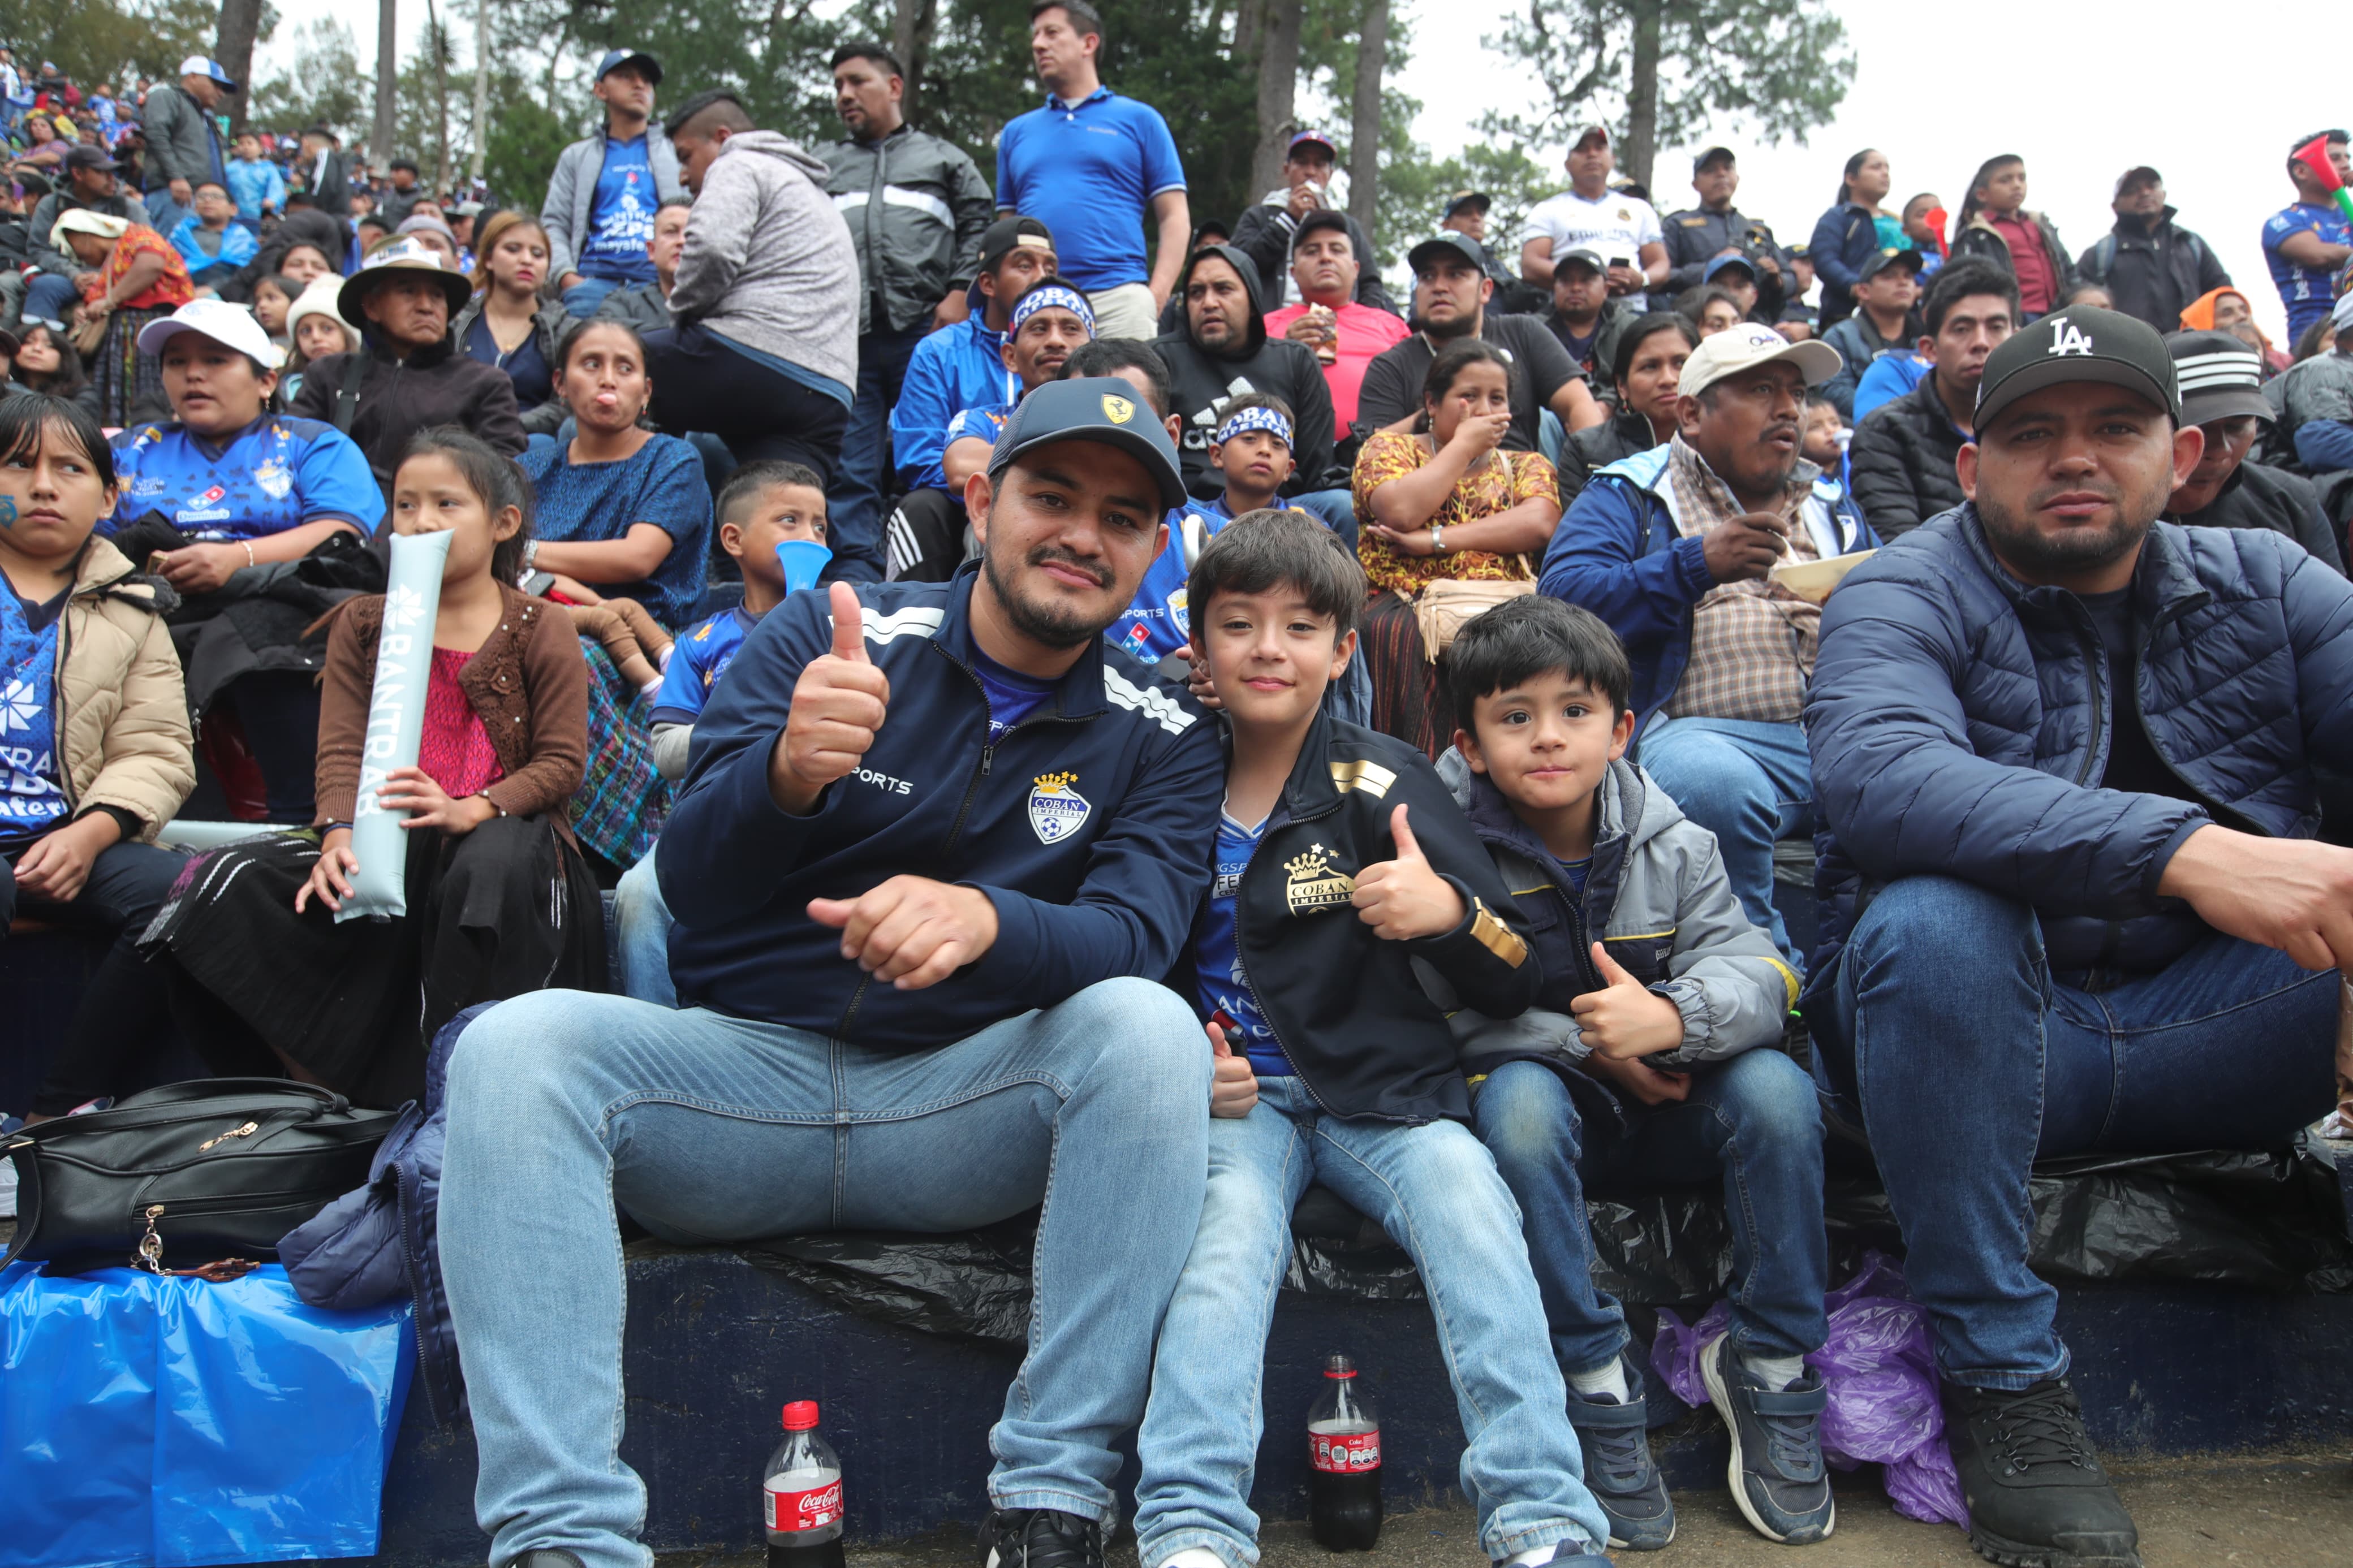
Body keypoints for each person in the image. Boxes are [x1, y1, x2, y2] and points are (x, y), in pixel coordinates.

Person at [436, 377, 1223, 1568]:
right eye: (1052, 496)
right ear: (981, 499)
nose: (1081, 534)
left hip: (960, 1111)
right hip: (738, 1092)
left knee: (1147, 1029)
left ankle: (1054, 1502)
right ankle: (564, 1541)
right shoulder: (828, 631)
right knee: (511, 1048)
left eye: (1121, 518)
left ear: (1154, 548)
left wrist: (988, 920)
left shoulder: (1161, 726)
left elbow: (1137, 931)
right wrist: (785, 777)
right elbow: (685, 883)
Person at [1805, 304, 2353, 1568]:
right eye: (2031, 433)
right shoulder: (1901, 587)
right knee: (1937, 918)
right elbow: (1880, 777)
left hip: (2222, 1024)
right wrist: (2188, 851)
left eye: (2114, 428)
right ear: (1966, 465)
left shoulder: (2270, 582)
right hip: (1957, 1038)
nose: (2073, 458)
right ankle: (2003, 1385)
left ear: (2184, 454)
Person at [1130, 511, 1615, 1568]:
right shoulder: (1165, 776)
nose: (1270, 647)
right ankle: (1190, 1528)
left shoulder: (1385, 775)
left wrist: (1443, 912)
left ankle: (1544, 1521)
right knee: (1218, 1254)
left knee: (1476, 1215)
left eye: (1303, 626)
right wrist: (1175, 1050)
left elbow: (1517, 967)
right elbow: (1126, 948)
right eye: (1239, 623)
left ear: (1344, 647)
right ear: (1198, 641)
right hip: (1239, 1101)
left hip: (1387, 1099)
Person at [1444, 595, 1826, 1550]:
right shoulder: (1443, 854)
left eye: (1575, 711)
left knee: (1779, 1092)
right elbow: (1435, 1017)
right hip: (1541, 1114)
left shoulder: (1678, 843)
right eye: (1514, 715)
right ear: (1472, 742)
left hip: (1672, 1107)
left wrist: (1673, 1019)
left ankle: (1772, 1359)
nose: (1547, 737)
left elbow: (1766, 975)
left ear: (1620, 731)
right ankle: (1590, 1373)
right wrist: (1596, 1045)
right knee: (1522, 1107)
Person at [146, 429, 600, 1111]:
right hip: (386, 836)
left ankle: (459, 1095)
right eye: (407, 506)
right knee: (225, 879)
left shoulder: (542, 626)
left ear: (503, 524)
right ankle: (324, 1095)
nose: (421, 523)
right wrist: (335, 834)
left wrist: (472, 806)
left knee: (487, 864)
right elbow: (339, 751)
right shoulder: (364, 621)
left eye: (447, 504)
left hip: (506, 836)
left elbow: (563, 763)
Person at [1540, 322, 1871, 973]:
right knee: (1706, 780)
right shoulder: (1629, 491)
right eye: (1760, 390)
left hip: (1842, 730)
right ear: (1691, 414)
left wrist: (1867, 604)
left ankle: (1856, 980)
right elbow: (1558, 606)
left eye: (1796, 393)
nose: (1787, 408)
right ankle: (1767, 978)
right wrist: (1692, 565)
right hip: (1702, 734)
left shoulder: (1833, 502)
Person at [106, 300, 381, 822]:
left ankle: (300, 820)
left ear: (266, 380)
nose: (192, 374)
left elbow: (343, 528)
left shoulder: (312, 444)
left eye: (215, 360)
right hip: (156, 606)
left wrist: (237, 558)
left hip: (278, 600)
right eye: (176, 361)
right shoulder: (132, 450)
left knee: (267, 641)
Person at [0, 396, 197, 1122]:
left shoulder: (133, 607)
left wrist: (91, 832)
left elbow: (156, 747)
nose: (43, 485)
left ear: (110, 495)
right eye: (19, 464)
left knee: (188, 892)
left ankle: (54, 1112)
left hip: (65, 833)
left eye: (70, 468)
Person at [610, 459, 827, 1004]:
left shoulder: (846, 628)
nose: (810, 536)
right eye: (789, 521)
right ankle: (651, 1041)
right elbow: (664, 752)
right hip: (713, 821)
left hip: (822, 823)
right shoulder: (701, 642)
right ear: (733, 538)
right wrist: (762, 734)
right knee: (637, 892)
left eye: (820, 525)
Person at [821, 41, 995, 585]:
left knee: (927, 448)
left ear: (894, 87)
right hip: (848, 336)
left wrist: (958, 291)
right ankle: (856, 570)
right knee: (852, 459)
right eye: (838, 87)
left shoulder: (943, 158)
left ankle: (927, 564)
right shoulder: (826, 165)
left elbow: (980, 223)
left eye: (857, 82)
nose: (845, 95)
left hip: (926, 327)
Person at [1354, 340, 1562, 757]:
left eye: (1497, 398)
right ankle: (1416, 775)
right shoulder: (1388, 449)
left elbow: (1539, 522)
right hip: (1406, 598)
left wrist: (1433, 541)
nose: (1484, 410)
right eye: (1468, 396)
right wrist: (1463, 446)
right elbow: (1400, 511)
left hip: (1502, 598)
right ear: (1432, 402)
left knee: (1547, 635)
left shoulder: (1526, 464)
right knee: (1396, 634)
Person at [642, 89, 857, 480]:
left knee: (611, 365)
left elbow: (712, 250)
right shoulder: (812, 192)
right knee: (787, 509)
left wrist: (682, 319)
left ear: (722, 138)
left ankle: (617, 525)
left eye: (686, 156)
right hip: (830, 390)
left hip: (760, 357)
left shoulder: (738, 162)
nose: (683, 175)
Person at [996, 0, 1188, 340]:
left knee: (1124, 396)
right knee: (1041, 397)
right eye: (1036, 35)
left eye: (1052, 33)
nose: (1038, 44)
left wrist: (1155, 297)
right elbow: (1006, 228)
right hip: (1039, 302)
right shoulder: (1016, 132)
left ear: (1089, 43)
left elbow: (1174, 216)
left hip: (1120, 299)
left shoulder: (1140, 120)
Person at [887, 281, 1095, 582]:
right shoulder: (982, 419)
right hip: (983, 532)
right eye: (1038, 329)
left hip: (1080, 538)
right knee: (924, 507)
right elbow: (959, 470)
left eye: (1071, 329)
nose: (1055, 340)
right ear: (1009, 356)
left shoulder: (1111, 418)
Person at [519, 319, 714, 630]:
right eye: (592, 364)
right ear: (560, 384)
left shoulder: (672, 459)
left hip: (641, 633)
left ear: (646, 392)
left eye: (625, 369)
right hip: (537, 616)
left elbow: (638, 557)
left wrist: (525, 552)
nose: (608, 380)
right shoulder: (529, 470)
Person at [291, 240, 527, 489]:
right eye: (408, 292)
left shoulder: (485, 383)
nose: (426, 306)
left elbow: (506, 473)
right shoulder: (329, 375)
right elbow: (290, 452)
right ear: (372, 307)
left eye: (437, 295)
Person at [1361, 231, 1603, 453]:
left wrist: (1591, 477)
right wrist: (1435, 414)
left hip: (1521, 486)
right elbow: (1371, 452)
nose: (1439, 287)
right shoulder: (1391, 365)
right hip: (1426, 489)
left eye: (1456, 274)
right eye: (1427, 276)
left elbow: (1579, 403)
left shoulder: (1522, 332)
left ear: (1486, 290)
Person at [888, 214, 1058, 524]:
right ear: (988, 283)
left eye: (1050, 268)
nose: (1041, 277)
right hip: (959, 507)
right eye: (1024, 266)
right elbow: (920, 458)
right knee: (920, 507)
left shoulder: (1068, 353)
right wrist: (1000, 493)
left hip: (1048, 507)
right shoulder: (939, 351)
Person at [1113, 391, 1296, 663]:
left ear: (1289, 469)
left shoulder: (1309, 525)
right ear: (1216, 455)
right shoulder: (1194, 524)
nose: (1264, 450)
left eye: (1278, 444)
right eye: (1249, 439)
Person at [1847, 259, 2018, 541]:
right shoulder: (1885, 432)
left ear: (2018, 339)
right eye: (1962, 329)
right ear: (1929, 349)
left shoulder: (2041, 428)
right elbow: (1900, 554)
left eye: (1996, 327)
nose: (1981, 342)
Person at [1153, 242, 1338, 499]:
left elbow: (1316, 467)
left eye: (1223, 289)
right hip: (1185, 506)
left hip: (1280, 513)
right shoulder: (1158, 359)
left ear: (1252, 301)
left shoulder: (1296, 360)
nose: (1208, 303)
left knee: (1338, 503)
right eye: (1196, 293)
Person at [2164, 329, 2343, 570]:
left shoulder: (2291, 500)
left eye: (2237, 427)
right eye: (2198, 430)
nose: (2220, 450)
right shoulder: (2109, 516)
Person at [544, 49, 683, 319]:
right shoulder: (576, 157)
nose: (639, 85)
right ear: (600, 90)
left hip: (661, 286)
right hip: (591, 284)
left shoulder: (677, 152)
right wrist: (567, 277)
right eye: (625, 76)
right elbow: (554, 223)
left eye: (647, 80)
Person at [1262, 210, 1410, 431]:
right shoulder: (1264, 327)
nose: (1325, 257)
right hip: (1284, 455)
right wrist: (1280, 353)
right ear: (1293, 272)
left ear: (1356, 269)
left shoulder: (1391, 326)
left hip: (1379, 455)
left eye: (1337, 249)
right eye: (1312, 251)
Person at [1228, 128, 1396, 313]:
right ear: (1286, 170)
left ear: (1330, 174)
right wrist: (1288, 220)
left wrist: (1363, 322)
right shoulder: (1259, 216)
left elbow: (1370, 283)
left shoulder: (1347, 226)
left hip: (1339, 330)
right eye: (1302, 163)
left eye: (1319, 165)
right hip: (1270, 330)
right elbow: (1237, 269)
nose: (1310, 172)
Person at [50, 208, 192, 426]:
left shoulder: (138, 234)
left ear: (84, 234)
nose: (76, 255)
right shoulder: (115, 255)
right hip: (124, 334)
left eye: (72, 244)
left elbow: (151, 264)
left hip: (142, 327)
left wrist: (110, 300)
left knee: (140, 395)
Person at [453, 211, 575, 432]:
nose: (527, 260)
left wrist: (509, 427)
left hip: (534, 445)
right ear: (488, 259)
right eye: (513, 249)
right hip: (459, 443)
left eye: (538, 254)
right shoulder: (457, 322)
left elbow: (566, 404)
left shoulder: (566, 330)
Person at [2072, 166, 2229, 336]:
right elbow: (2077, 308)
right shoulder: (2098, 256)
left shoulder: (2190, 244)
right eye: (2133, 190)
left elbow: (2223, 293)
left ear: (2164, 194)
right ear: (2115, 206)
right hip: (2131, 353)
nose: (2145, 193)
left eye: (2152, 186)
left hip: (2192, 349)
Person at [1519, 125, 1665, 306]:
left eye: (1599, 148)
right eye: (1582, 149)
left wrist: (1642, 279)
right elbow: (1531, 265)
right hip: (1571, 311)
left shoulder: (1639, 209)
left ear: (1612, 160)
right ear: (1567, 164)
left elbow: (1661, 264)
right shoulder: (1547, 210)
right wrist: (1588, 279)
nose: (1592, 154)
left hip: (1630, 308)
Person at [24, 143, 155, 326]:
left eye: (112, 172)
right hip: (69, 277)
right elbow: (39, 249)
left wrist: (103, 278)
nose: (112, 179)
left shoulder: (128, 206)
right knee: (44, 286)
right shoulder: (52, 204)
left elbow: (150, 252)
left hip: (119, 281)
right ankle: (41, 344)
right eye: (102, 173)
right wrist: (74, 275)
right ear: (78, 174)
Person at [1562, 314, 1695, 491]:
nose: (1668, 379)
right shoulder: (1585, 450)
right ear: (1622, 386)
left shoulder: (1723, 442)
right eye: (1650, 366)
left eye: (1680, 363)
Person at [1658, 147, 1790, 321]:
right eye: (1710, 170)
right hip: (1700, 321)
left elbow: (1792, 278)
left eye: (1727, 168)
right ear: (1695, 184)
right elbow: (1661, 275)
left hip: (1757, 322)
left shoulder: (1758, 230)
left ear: (1737, 177)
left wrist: (1777, 279)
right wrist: (1709, 268)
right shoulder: (1678, 224)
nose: (1721, 174)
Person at [1950, 155, 2075, 323]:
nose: (2017, 185)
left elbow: (2068, 269)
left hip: (2058, 315)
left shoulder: (2042, 226)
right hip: (2015, 317)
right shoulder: (1976, 234)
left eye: (2022, 178)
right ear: (1982, 194)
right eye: (2005, 181)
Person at [2264, 129, 2353, 343]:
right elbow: (2318, 255)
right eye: (2334, 158)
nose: (2346, 163)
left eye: (2347, 157)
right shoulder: (2283, 221)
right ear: (2301, 171)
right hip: (2316, 334)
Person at [1818, 247, 1921, 418]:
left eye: (1908, 276)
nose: (1903, 282)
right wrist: (1895, 419)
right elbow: (1835, 393)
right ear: (1863, 291)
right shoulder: (1840, 337)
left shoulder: (1929, 337)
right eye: (1889, 276)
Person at [138, 57, 233, 238]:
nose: (220, 93)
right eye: (216, 84)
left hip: (203, 198)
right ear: (193, 76)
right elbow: (157, 135)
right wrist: (176, 177)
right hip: (175, 194)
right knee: (172, 256)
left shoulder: (206, 117)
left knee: (197, 259)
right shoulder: (167, 96)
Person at [1807, 149, 1895, 329]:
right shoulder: (1838, 217)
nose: (1885, 173)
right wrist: (1855, 287)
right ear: (1851, 179)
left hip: (1899, 320)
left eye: (1887, 168)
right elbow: (1824, 260)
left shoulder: (1897, 223)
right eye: (1876, 167)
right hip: (1848, 317)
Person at [589, 197, 689, 335]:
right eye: (671, 232)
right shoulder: (624, 303)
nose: (682, 241)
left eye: (690, 234)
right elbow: (606, 333)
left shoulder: (722, 305)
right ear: (652, 250)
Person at [1542, 247, 1629, 401]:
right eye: (1566, 281)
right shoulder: (1535, 330)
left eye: (1586, 280)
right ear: (1554, 288)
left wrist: (1607, 405)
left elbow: (1634, 380)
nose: (1576, 288)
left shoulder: (1628, 328)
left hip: (1614, 416)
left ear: (1606, 290)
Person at [281, 276, 360, 404]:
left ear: (348, 335)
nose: (316, 337)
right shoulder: (285, 384)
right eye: (306, 331)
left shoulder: (368, 382)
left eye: (327, 329)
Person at [168, 179, 256, 288]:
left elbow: (248, 276)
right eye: (202, 197)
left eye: (216, 197)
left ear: (233, 209)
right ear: (195, 208)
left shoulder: (242, 240)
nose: (208, 200)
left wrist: (214, 290)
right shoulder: (181, 236)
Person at [8, 318, 100, 418]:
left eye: (49, 345)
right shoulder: (6, 388)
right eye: (28, 342)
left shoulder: (83, 395)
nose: (37, 348)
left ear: (64, 356)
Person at [225, 132, 285, 227]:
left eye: (250, 143)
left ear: (260, 147)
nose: (245, 147)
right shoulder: (230, 169)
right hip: (234, 216)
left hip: (259, 217)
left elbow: (277, 188)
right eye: (241, 143)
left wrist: (273, 200)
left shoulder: (268, 168)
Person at [298, 123, 352, 223]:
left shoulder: (324, 154)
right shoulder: (338, 162)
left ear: (305, 143)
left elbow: (324, 186)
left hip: (326, 222)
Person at [1897, 192, 1946, 283]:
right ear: (1906, 230)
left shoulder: (1959, 251)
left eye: (1938, 212)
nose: (1933, 218)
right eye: (1922, 215)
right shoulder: (1903, 261)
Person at [376, 159, 423, 227]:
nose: (393, 175)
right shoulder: (387, 198)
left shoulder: (420, 200)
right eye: (392, 172)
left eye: (397, 171)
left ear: (411, 175)